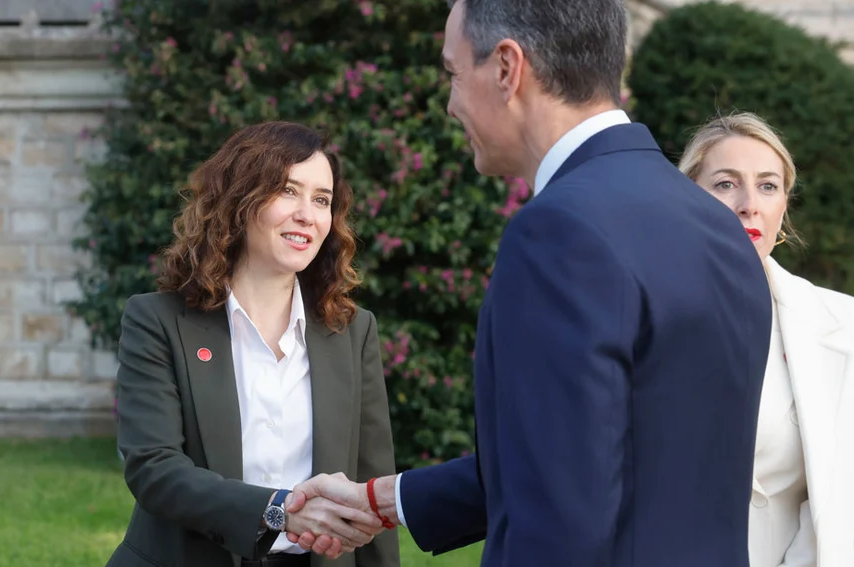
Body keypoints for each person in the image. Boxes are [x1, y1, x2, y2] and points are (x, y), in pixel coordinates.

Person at [286, 0, 774, 565]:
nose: (451, 104)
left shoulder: (560, 230)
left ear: (506, 68)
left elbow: (560, 518)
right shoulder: (718, 227)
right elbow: (619, 459)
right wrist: (384, 498)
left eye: (453, 73)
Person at [104, 121, 400, 567]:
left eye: (321, 200)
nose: (307, 214)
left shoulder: (353, 331)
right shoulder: (158, 320)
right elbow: (154, 469)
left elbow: (369, 491)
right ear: (239, 202)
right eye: (288, 191)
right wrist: (278, 511)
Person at [678, 112, 854, 567]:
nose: (749, 204)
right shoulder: (642, 315)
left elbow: (841, 505)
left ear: (784, 207)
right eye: (725, 184)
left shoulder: (843, 325)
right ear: (686, 197)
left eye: (768, 186)